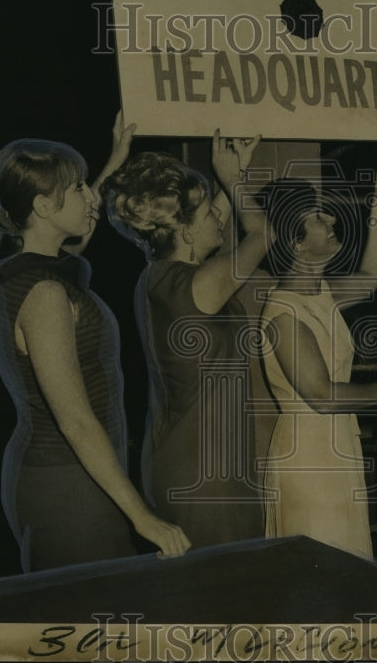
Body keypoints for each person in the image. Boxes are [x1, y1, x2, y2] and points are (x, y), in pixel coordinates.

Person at [0, 113, 190, 573]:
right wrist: (144, 520)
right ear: (43, 207)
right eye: (75, 189)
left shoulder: (37, 263)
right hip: (67, 481)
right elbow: (75, 420)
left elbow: (85, 220)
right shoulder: (46, 294)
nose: (89, 198)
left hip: (74, 473)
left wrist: (116, 157)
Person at [103, 132, 270, 549]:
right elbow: (263, 236)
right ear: (187, 232)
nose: (219, 216)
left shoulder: (162, 277)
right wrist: (235, 182)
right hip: (204, 474)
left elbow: (208, 216)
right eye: (208, 216)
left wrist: (233, 171)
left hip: (198, 457)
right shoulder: (195, 284)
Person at [257, 174, 377, 557]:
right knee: (322, 578)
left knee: (345, 569)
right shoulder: (283, 313)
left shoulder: (321, 292)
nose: (331, 220)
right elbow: (321, 395)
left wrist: (376, 217)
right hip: (309, 459)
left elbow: (373, 277)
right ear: (297, 244)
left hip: (335, 450)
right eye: (318, 218)